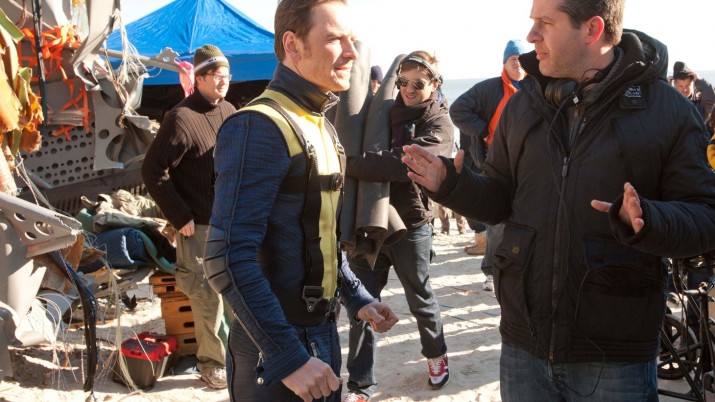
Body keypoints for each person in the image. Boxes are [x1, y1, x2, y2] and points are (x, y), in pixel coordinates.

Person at [402, 0, 715, 400]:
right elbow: (500, 199)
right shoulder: (522, 105)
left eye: (545, 23)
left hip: (616, 355)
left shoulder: (667, 110)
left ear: (592, 30)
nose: (531, 36)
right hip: (523, 345)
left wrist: (648, 220)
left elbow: (706, 216)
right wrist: (453, 186)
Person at [202, 1, 398, 401]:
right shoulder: (257, 126)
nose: (351, 52)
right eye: (335, 39)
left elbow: (321, 236)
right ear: (292, 44)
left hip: (320, 335)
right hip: (275, 349)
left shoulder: (320, 125)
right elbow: (226, 257)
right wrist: (287, 357)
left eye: (352, 40)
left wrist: (357, 297)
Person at [342, 51, 453, 402]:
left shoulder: (439, 123)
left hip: (412, 224)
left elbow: (406, 162)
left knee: (420, 297)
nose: (408, 89)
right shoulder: (382, 112)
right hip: (370, 221)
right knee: (362, 303)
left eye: (418, 83)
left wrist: (353, 164)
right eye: (402, 81)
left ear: (434, 84)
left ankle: (436, 355)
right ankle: (360, 384)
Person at [141, 44, 234, 389]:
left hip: (229, 221)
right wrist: (179, 215)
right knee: (207, 298)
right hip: (198, 226)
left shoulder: (229, 111)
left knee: (236, 295)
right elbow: (153, 170)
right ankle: (213, 364)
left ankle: (239, 358)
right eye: (217, 76)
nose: (224, 82)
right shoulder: (181, 118)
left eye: (227, 76)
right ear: (200, 77)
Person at [449, 39, 530, 291]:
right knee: (497, 222)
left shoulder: (537, 87)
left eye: (521, 58)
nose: (517, 63)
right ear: (504, 63)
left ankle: (521, 269)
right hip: (497, 164)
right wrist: (483, 131)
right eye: (512, 59)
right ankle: (491, 272)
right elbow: (457, 109)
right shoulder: (489, 89)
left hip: (529, 165)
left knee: (528, 218)